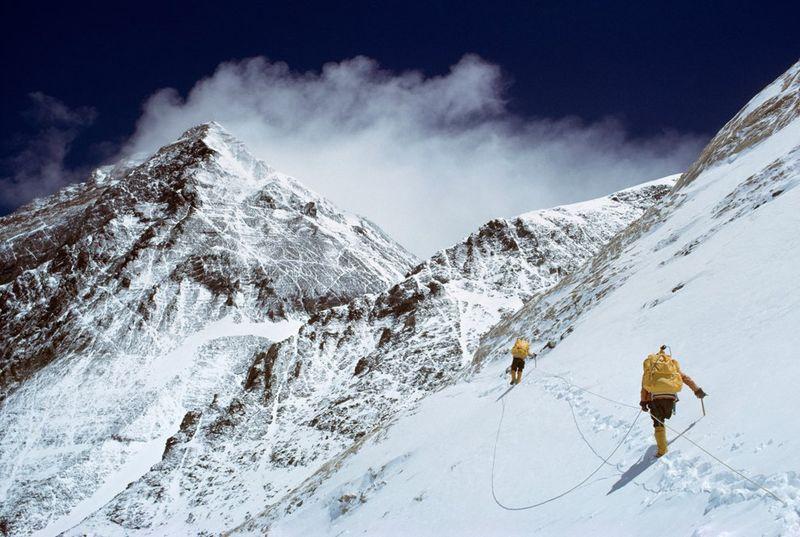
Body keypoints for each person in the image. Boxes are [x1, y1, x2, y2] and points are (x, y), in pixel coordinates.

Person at [640, 345, 707, 457]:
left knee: (658, 423)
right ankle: (662, 447)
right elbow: (685, 378)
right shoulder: (671, 365)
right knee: (663, 418)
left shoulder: (651, 368)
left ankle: (662, 450)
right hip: (670, 397)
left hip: (655, 398)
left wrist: (643, 402)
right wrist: (697, 390)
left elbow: (644, 386)